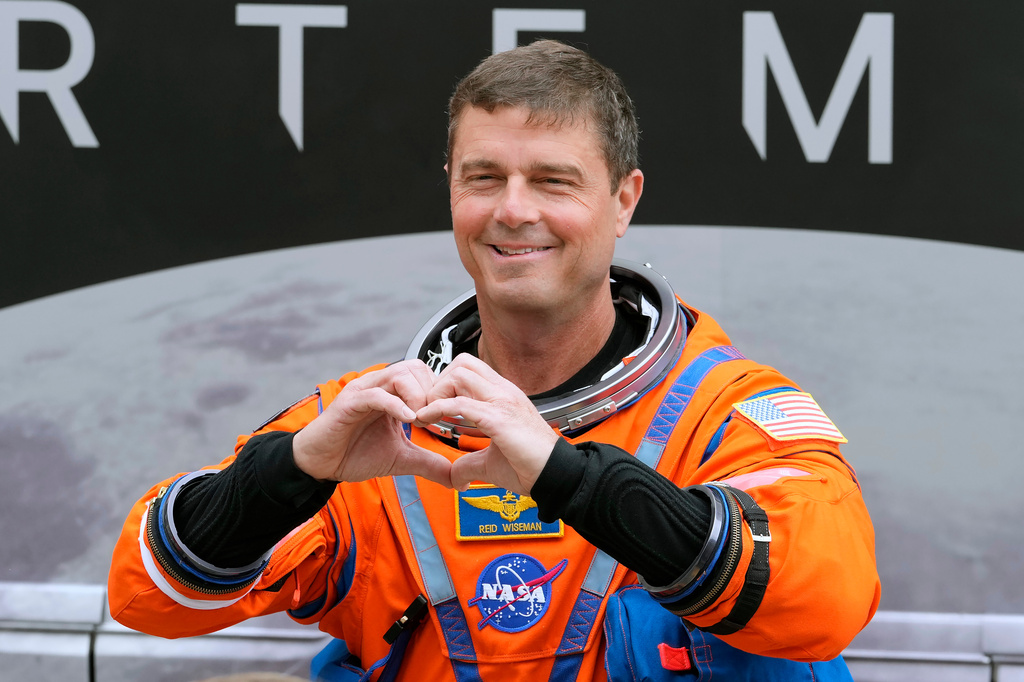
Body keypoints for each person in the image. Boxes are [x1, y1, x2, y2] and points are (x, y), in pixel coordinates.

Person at [108, 40, 880, 681]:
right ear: (452, 190)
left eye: (553, 180)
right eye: (485, 178)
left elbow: (827, 595)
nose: (514, 210)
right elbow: (148, 592)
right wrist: (293, 473)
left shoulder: (720, 412)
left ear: (624, 200)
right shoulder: (380, 423)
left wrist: (566, 477)